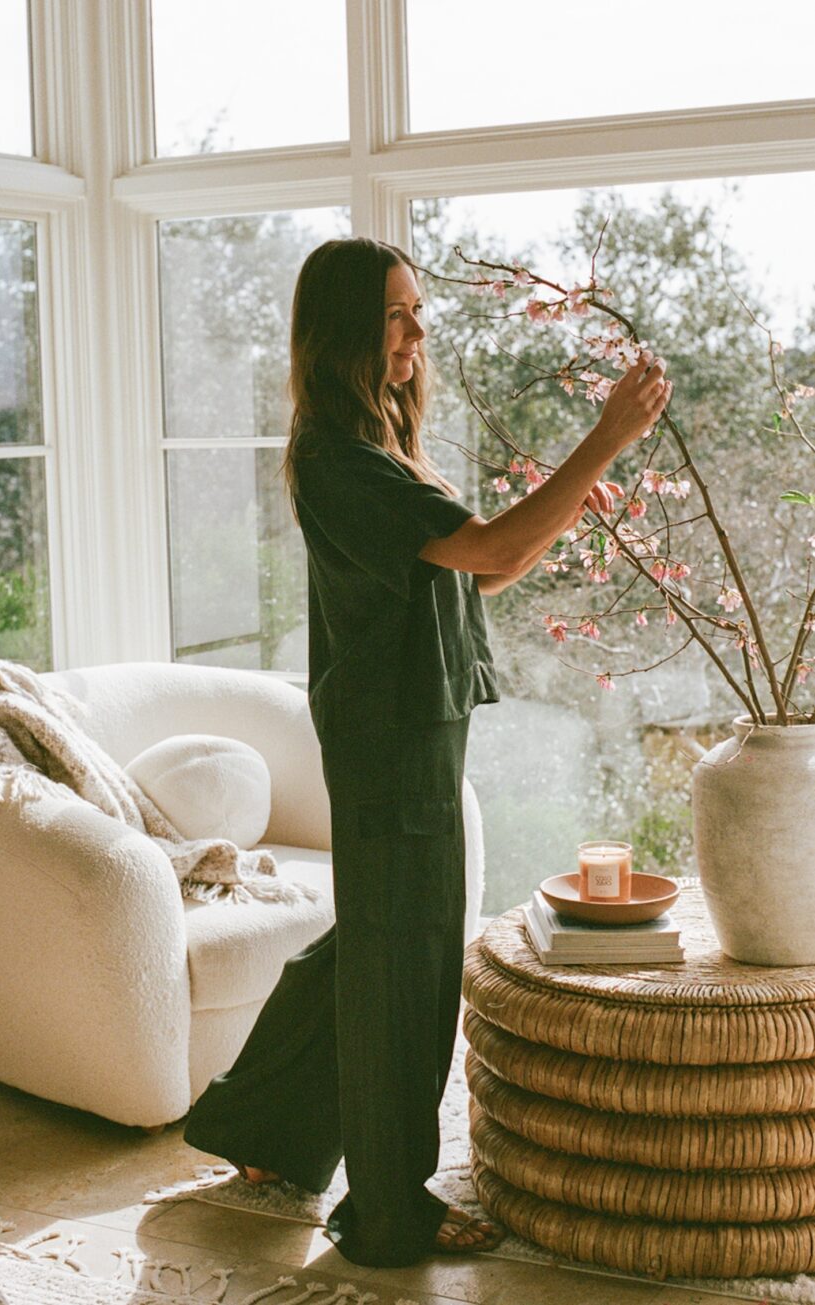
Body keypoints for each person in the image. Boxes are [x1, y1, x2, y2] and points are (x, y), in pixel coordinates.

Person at [183, 236, 672, 1267]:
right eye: (399, 314)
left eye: (416, 312)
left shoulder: (380, 446)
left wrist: (575, 488)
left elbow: (481, 571)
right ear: (348, 330)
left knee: (366, 947)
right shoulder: (338, 458)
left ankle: (262, 1129)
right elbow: (490, 549)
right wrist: (603, 443)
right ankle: (388, 1212)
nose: (418, 330)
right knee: (401, 974)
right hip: (389, 740)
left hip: (410, 729)